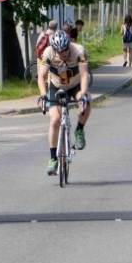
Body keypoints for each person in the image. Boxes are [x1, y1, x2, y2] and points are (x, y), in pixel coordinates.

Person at [37, 30, 91, 175]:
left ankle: (79, 129)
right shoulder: (48, 53)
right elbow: (41, 77)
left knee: (86, 102)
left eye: (65, 51)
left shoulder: (79, 51)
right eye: (59, 52)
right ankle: (53, 158)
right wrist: (43, 95)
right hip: (56, 85)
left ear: (69, 46)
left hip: (75, 85)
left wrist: (84, 94)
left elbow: (85, 75)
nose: (63, 54)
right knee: (54, 120)